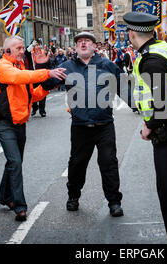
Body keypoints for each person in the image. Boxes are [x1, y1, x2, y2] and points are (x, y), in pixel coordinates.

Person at [40, 31, 131, 217]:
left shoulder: (107, 65)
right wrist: (43, 65)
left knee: (109, 164)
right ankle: (73, 197)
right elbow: (47, 85)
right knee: (77, 164)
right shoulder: (67, 67)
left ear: (94, 46)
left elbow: (123, 88)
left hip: (104, 125)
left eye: (87, 42)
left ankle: (114, 202)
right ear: (75, 47)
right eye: (79, 42)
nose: (83, 44)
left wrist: (141, 109)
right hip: (80, 126)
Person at [123, 11, 167, 244]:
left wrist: (148, 126)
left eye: (128, 33)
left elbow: (162, 101)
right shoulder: (163, 47)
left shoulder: (150, 59)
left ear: (132, 33)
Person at [0, 36, 67, 221]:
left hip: (20, 123)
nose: (22, 50)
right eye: (18, 48)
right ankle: (20, 206)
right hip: (3, 124)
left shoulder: (21, 67)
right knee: (15, 162)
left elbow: (34, 96)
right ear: (7, 51)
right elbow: (18, 78)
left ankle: (4, 196)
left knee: (14, 162)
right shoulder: (3, 67)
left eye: (23, 47)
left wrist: (49, 85)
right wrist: (47, 73)